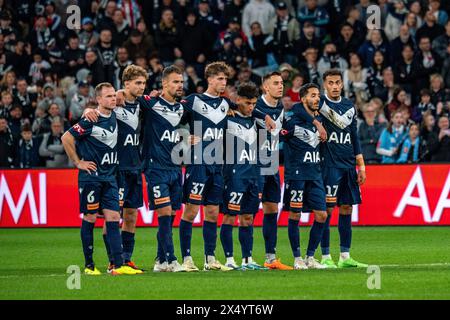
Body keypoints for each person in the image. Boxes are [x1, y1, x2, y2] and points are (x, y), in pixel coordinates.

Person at [292, 69, 368, 268]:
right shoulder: (320, 103)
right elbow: (298, 108)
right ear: (325, 85)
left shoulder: (349, 106)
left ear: (342, 84)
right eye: (331, 83)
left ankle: (345, 256)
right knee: (328, 209)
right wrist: (317, 122)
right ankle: (325, 256)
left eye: (337, 82)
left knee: (347, 208)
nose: (334, 86)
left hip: (348, 164)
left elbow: (354, 137)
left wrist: (361, 165)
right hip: (328, 165)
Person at [61, 82, 140, 276]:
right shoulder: (90, 119)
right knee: (89, 218)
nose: (113, 98)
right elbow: (66, 138)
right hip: (91, 178)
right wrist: (78, 162)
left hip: (111, 177)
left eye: (114, 95)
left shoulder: (115, 115)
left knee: (114, 217)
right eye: (108, 96)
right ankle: (89, 266)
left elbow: (127, 93)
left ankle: (118, 265)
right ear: (98, 100)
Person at [220, 82, 268, 270]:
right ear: (238, 100)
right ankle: (229, 260)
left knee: (248, 218)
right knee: (230, 217)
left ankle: (247, 259)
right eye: (248, 103)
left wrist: (260, 180)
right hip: (233, 176)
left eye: (254, 104)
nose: (251, 107)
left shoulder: (255, 121)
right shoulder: (227, 119)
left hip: (253, 176)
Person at [282, 83, 328, 269]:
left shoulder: (320, 119)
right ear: (303, 99)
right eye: (312, 95)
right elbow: (293, 111)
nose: (317, 98)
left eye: (318, 95)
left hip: (315, 174)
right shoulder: (293, 120)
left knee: (322, 215)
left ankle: (310, 257)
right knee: (295, 213)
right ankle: (297, 258)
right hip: (297, 175)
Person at [255, 71, 291, 270]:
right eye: (276, 83)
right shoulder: (255, 106)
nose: (281, 86)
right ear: (265, 87)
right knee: (248, 211)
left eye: (282, 83)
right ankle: (244, 259)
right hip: (254, 165)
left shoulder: (279, 107)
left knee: (271, 209)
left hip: (272, 164)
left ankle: (270, 258)